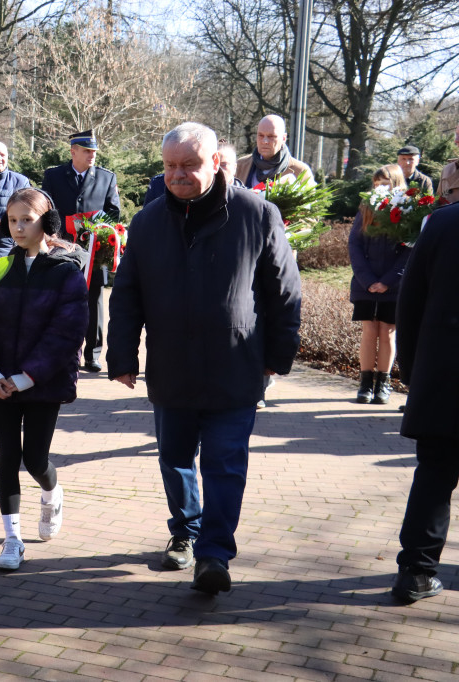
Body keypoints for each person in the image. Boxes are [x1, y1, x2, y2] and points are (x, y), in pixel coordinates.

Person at [107, 122, 301, 595]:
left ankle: (214, 553)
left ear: (217, 163)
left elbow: (284, 293)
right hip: (172, 366)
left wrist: (277, 355)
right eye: (170, 166)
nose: (177, 175)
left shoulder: (258, 214)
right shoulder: (148, 221)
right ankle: (185, 531)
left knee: (224, 463)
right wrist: (122, 355)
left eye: (189, 165)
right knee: (174, 458)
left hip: (235, 366)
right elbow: (127, 294)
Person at [0, 188, 89, 571]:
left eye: (27, 220)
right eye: (12, 221)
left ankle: (52, 493)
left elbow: (65, 335)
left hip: (43, 383)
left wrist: (26, 377)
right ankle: (12, 539)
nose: (18, 228)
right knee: (6, 457)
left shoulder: (66, 273)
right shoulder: (0, 269)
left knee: (34, 458)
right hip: (0, 381)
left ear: (47, 223)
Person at [391, 200, 459, 604]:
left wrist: (414, 371)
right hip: (441, 376)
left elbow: (409, 302)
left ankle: (415, 570)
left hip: (443, 378)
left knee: (433, 477)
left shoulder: (443, 223)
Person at [41, 130, 121, 373]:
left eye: (94, 152)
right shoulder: (54, 175)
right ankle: (61, 350)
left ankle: (93, 354)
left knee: (94, 299)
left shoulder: (106, 177)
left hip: (95, 248)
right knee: (58, 297)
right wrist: (57, 232)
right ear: (73, 151)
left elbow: (113, 212)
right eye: (87, 151)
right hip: (62, 248)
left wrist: (91, 228)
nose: (92, 155)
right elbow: (46, 207)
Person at [348, 164, 411, 405]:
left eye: (385, 184)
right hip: (366, 284)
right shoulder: (366, 208)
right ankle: (365, 384)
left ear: (396, 185)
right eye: (376, 185)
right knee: (369, 331)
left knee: (388, 332)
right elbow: (354, 245)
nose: (380, 189)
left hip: (392, 286)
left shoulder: (406, 211)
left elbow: (408, 250)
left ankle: (382, 384)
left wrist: (387, 281)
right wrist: (368, 280)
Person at [144, 139, 243, 206]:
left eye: (224, 165)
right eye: (171, 165)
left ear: (234, 168)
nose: (218, 169)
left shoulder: (246, 202)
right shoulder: (159, 186)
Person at [235, 114, 313, 187]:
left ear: (283, 138)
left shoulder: (300, 171)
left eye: (271, 136)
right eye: (261, 135)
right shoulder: (241, 166)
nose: (264, 141)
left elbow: (311, 201)